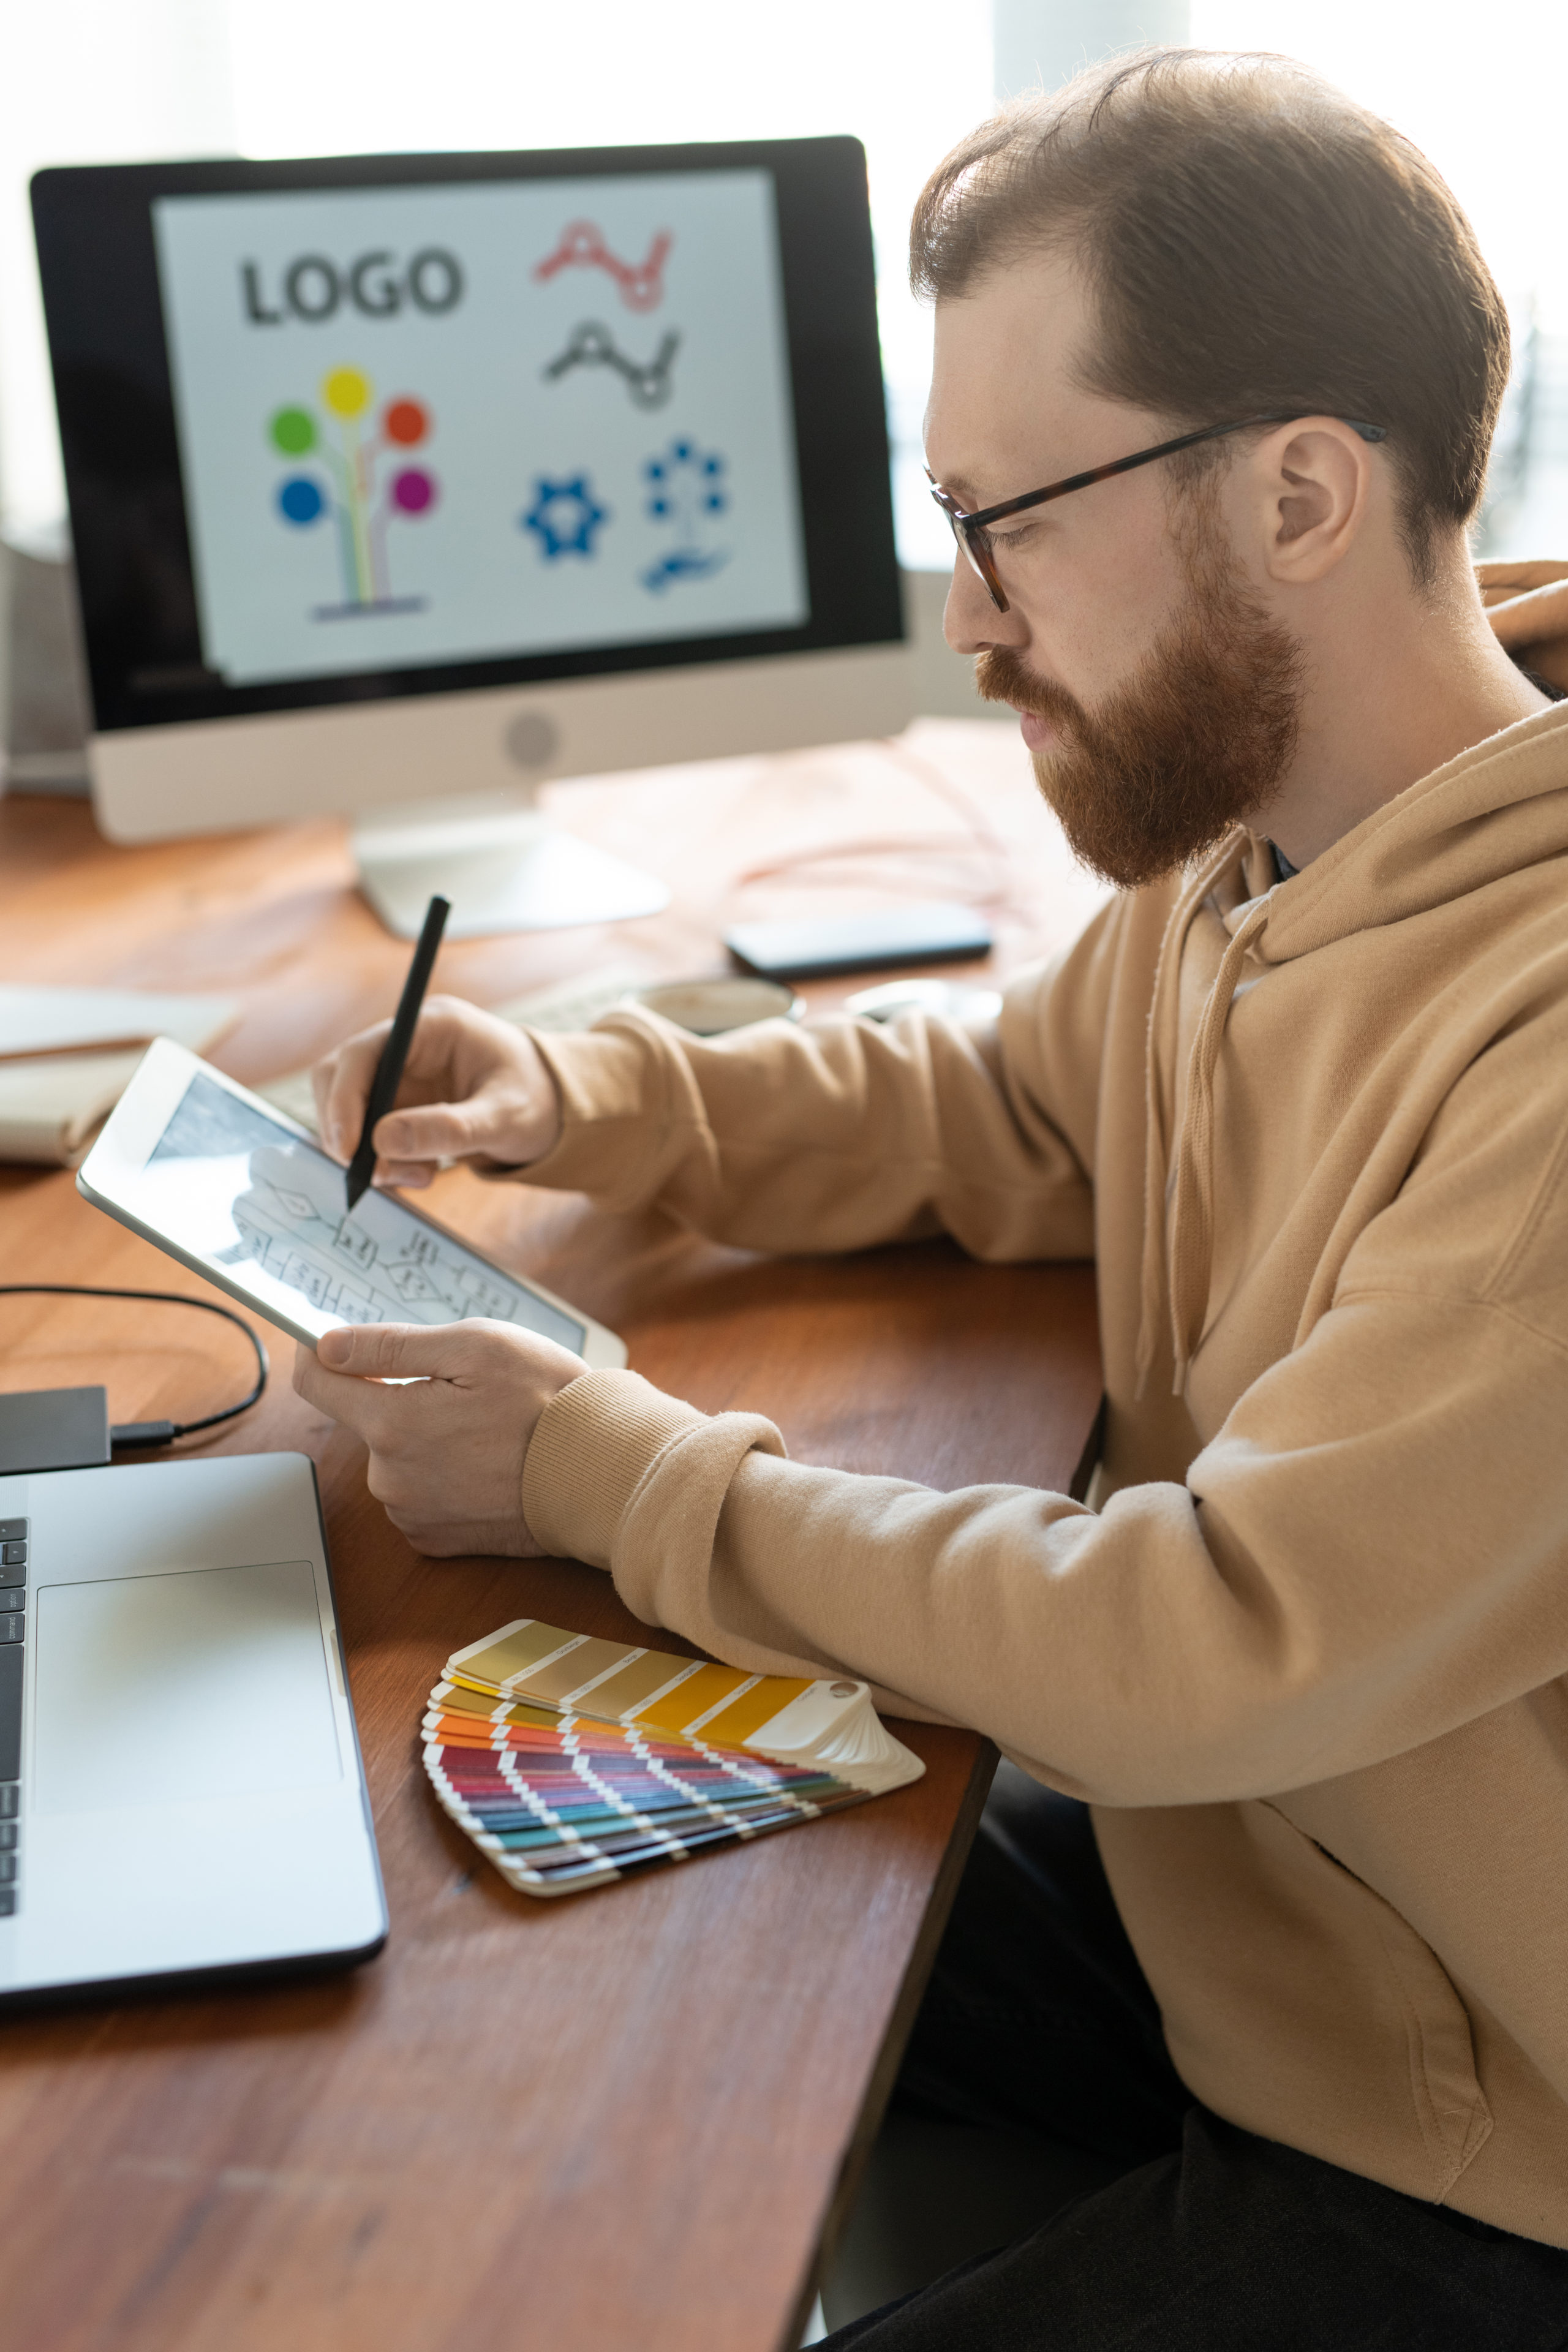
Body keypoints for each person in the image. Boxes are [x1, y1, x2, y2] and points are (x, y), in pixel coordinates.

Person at [296, 50, 1568, 2348]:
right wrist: (592, 1096)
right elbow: (1016, 1103)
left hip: (1496, 2146)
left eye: (1012, 522)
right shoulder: (1255, 844)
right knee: (506, 1851)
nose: (970, 620)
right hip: (1277, 1898)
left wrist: (608, 1464)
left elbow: (1207, 1637)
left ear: (1298, 494)